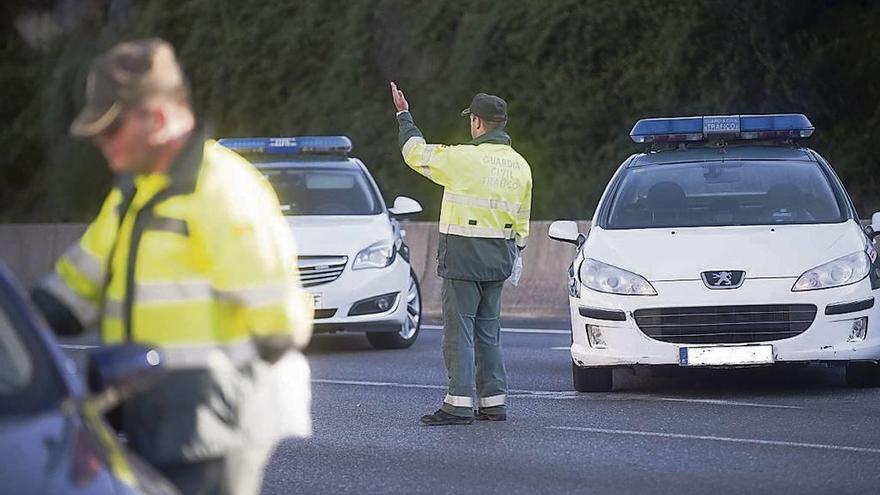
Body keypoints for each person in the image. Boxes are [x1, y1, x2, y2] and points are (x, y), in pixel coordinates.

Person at [31, 38, 313, 494]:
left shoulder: (223, 191)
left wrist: (205, 386)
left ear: (157, 119)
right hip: (148, 419)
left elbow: (280, 328)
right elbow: (70, 294)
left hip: (211, 430)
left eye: (110, 129)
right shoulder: (134, 192)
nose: (101, 144)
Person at [390, 83, 532, 425]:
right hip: (500, 259)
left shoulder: (463, 158)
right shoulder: (521, 166)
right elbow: (522, 222)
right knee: (488, 333)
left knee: (459, 333)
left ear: (478, 124)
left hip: (463, 258)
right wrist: (518, 254)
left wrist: (403, 115)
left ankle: (457, 404)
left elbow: (414, 153)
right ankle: (493, 402)